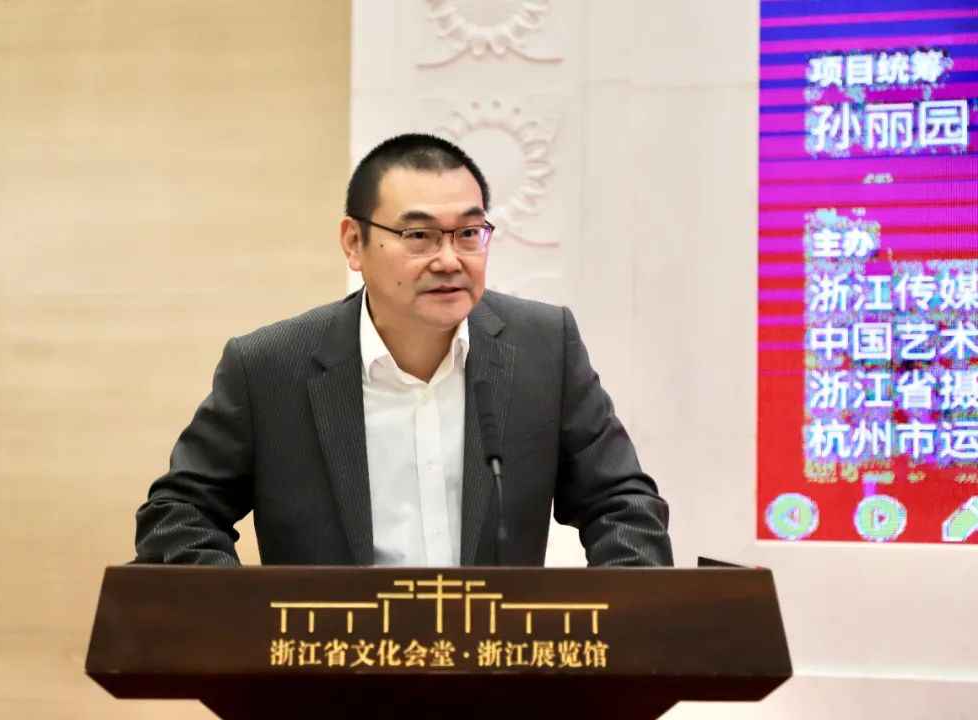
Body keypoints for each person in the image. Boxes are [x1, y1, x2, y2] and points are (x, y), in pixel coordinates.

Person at [135, 133, 673, 567]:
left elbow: (622, 504)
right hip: (331, 662)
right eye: (419, 236)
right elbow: (179, 513)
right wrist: (245, 620)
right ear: (354, 243)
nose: (449, 260)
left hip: (497, 658)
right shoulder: (271, 367)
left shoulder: (543, 349)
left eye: (468, 233)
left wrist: (617, 620)